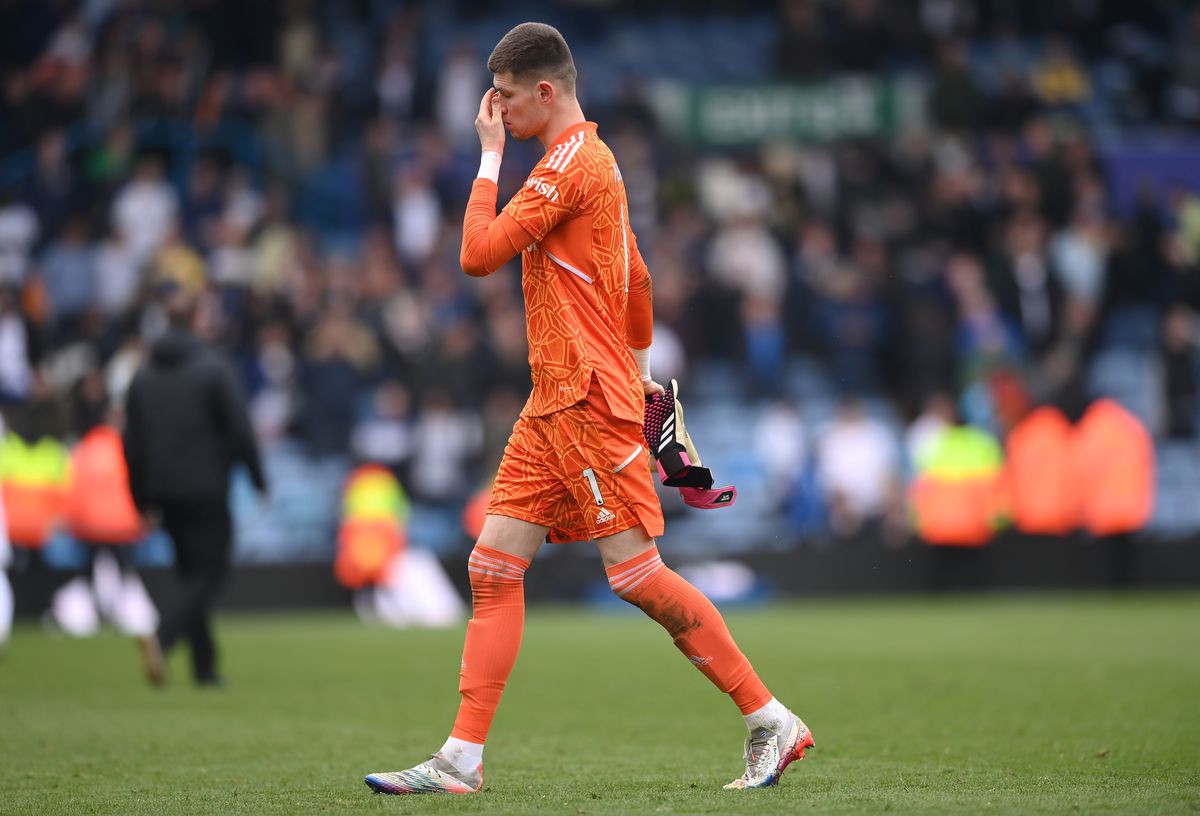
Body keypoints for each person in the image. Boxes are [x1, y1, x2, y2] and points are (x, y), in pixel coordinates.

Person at [365, 22, 812, 796]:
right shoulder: (592, 164)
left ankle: (769, 717)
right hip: (558, 397)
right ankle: (461, 758)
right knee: (492, 565)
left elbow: (476, 255)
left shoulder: (566, 164)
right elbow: (636, 278)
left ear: (546, 91)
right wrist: (640, 369)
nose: (494, 111)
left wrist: (487, 158)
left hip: (584, 397)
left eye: (504, 99)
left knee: (636, 576)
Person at [122, 290, 267, 686]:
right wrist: (258, 480)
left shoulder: (142, 376)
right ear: (197, 321)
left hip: (164, 494)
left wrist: (141, 500)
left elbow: (130, 444)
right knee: (211, 574)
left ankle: (204, 669)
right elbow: (241, 429)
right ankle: (162, 637)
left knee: (191, 576)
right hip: (206, 489)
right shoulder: (213, 367)